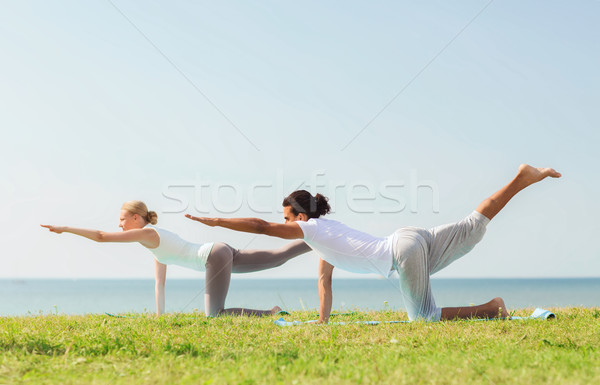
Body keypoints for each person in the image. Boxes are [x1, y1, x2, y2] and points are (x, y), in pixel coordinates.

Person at [185, 164, 562, 323]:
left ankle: (492, 309)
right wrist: (322, 319)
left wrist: (216, 220)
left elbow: (260, 227)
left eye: (286, 218)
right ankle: (522, 177)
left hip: (403, 252)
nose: (283, 224)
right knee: (473, 224)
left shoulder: (310, 230)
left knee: (425, 318)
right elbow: (324, 281)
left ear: (300, 217)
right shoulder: (328, 233)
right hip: (409, 238)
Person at [41, 200, 311, 317]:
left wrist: (65, 228)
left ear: (137, 218)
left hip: (214, 256)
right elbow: (160, 284)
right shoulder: (153, 241)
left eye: (122, 220)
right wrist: (160, 317)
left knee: (214, 316)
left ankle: (271, 313)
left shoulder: (147, 234)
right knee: (277, 258)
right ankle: (320, 241)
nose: (119, 224)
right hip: (219, 251)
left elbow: (101, 236)